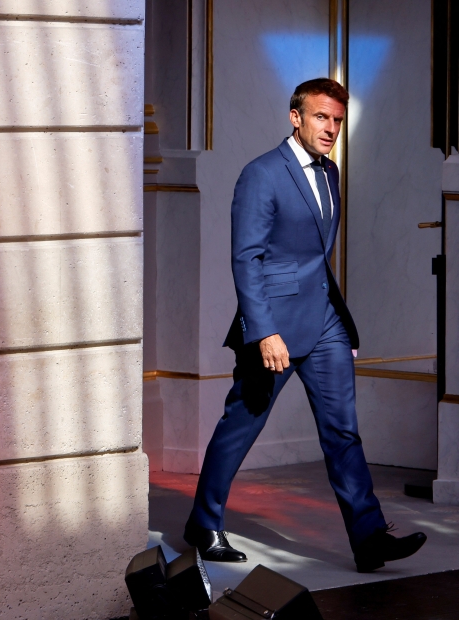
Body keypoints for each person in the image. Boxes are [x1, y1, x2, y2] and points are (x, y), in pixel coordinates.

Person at [183, 78, 427, 573]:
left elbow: (315, 258)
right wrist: (263, 331)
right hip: (272, 326)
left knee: (343, 432)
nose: (330, 128)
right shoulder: (261, 174)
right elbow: (246, 258)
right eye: (321, 117)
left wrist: (336, 319)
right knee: (241, 426)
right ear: (295, 117)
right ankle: (203, 524)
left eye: (337, 120)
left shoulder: (331, 173)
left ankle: (369, 537)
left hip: (326, 323)